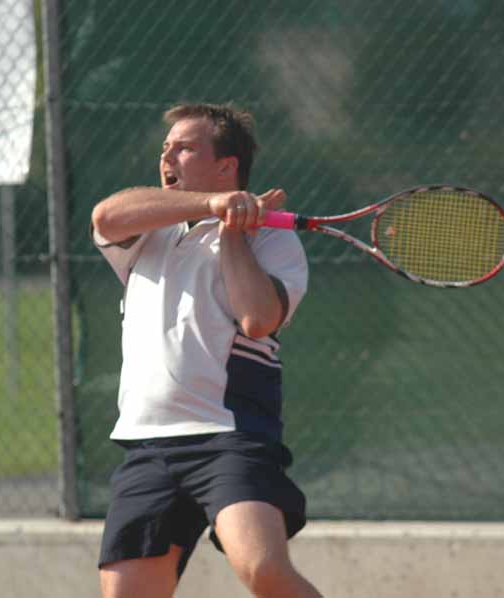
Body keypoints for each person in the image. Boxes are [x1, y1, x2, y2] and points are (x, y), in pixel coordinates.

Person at [91, 102, 322, 598]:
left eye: (185, 148)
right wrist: (216, 204)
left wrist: (233, 233)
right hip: (146, 444)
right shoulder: (146, 233)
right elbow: (106, 216)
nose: (167, 156)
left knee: (262, 569)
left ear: (225, 166)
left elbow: (258, 319)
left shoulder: (272, 241)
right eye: (165, 148)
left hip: (229, 438)